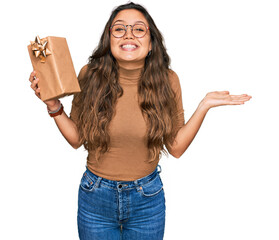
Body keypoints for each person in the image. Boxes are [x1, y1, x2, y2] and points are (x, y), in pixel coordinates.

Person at [28, 2, 252, 239]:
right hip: (95, 198)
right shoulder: (89, 75)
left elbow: (175, 148)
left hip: (147, 200)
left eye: (138, 29)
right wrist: (53, 106)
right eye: (119, 29)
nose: (128, 35)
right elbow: (77, 140)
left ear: (151, 42)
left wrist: (204, 105)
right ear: (109, 38)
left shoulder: (167, 80)